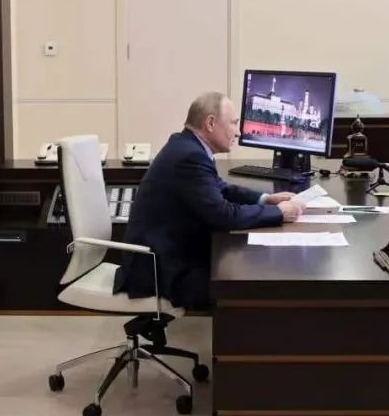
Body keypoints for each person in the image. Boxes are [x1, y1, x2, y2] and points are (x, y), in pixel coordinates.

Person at [112, 92, 304, 309]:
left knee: (245, 264)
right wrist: (279, 213)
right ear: (211, 123)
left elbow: (221, 188)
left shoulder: (187, 146)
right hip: (160, 271)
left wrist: (266, 199)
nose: (238, 132)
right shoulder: (189, 156)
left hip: (171, 255)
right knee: (251, 285)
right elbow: (224, 215)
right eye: (233, 123)